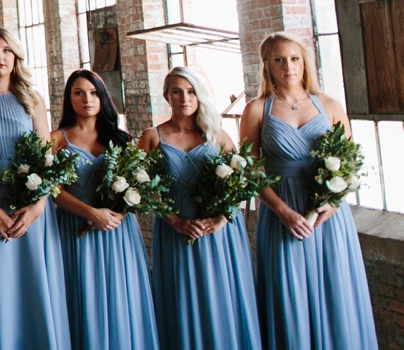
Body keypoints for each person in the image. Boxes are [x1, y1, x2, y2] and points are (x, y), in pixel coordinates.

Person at [240, 32, 378, 350]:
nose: (288, 66)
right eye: (279, 59)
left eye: (294, 58)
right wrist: (283, 211)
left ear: (304, 62)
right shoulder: (257, 109)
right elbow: (249, 170)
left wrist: (333, 202)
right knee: (289, 295)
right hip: (281, 214)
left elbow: (348, 163)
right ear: (267, 66)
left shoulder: (329, 105)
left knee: (336, 290)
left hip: (329, 218)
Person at [0, 26, 70, 350]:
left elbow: (47, 158)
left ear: (15, 54)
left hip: (31, 205)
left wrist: (38, 207)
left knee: (34, 282)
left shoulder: (32, 99)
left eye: (6, 50)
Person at [137, 66, 261, 350]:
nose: (185, 98)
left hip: (218, 232)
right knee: (182, 298)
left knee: (221, 297)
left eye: (191, 91)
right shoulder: (152, 137)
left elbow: (245, 182)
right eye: (177, 92)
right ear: (166, 96)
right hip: (175, 231)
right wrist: (175, 221)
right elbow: (142, 190)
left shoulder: (218, 135)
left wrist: (221, 219)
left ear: (199, 95)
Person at [51, 69, 159, 350]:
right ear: (69, 99)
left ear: (103, 98)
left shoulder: (121, 140)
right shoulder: (55, 140)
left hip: (118, 232)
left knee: (121, 295)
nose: (87, 99)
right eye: (79, 93)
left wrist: (120, 213)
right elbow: (53, 191)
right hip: (75, 230)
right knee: (84, 296)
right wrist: (90, 213)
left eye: (94, 92)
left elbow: (137, 184)